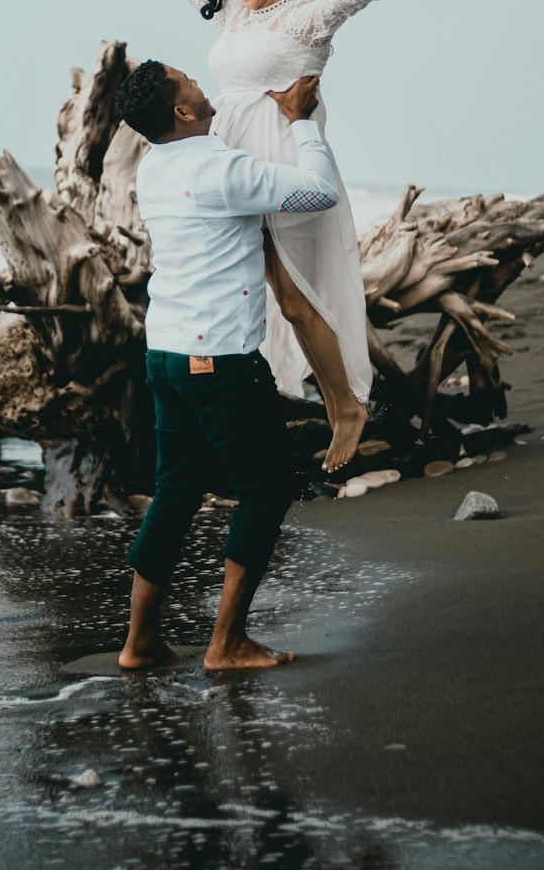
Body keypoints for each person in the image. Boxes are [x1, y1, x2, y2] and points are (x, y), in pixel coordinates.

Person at [132, 0, 424, 471]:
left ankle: (348, 408)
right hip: (231, 163)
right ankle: (284, 402)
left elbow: (343, 2)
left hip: (287, 157)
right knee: (266, 293)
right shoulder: (233, 12)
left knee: (294, 296)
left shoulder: (304, 20)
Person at [115, 59, 339, 671]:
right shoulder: (219, 169)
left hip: (164, 353)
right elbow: (319, 192)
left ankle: (139, 643)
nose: (200, 83)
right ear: (183, 112)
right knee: (265, 490)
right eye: (189, 82)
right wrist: (301, 124)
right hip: (217, 359)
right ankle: (227, 642)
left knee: (174, 491)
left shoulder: (155, 166)